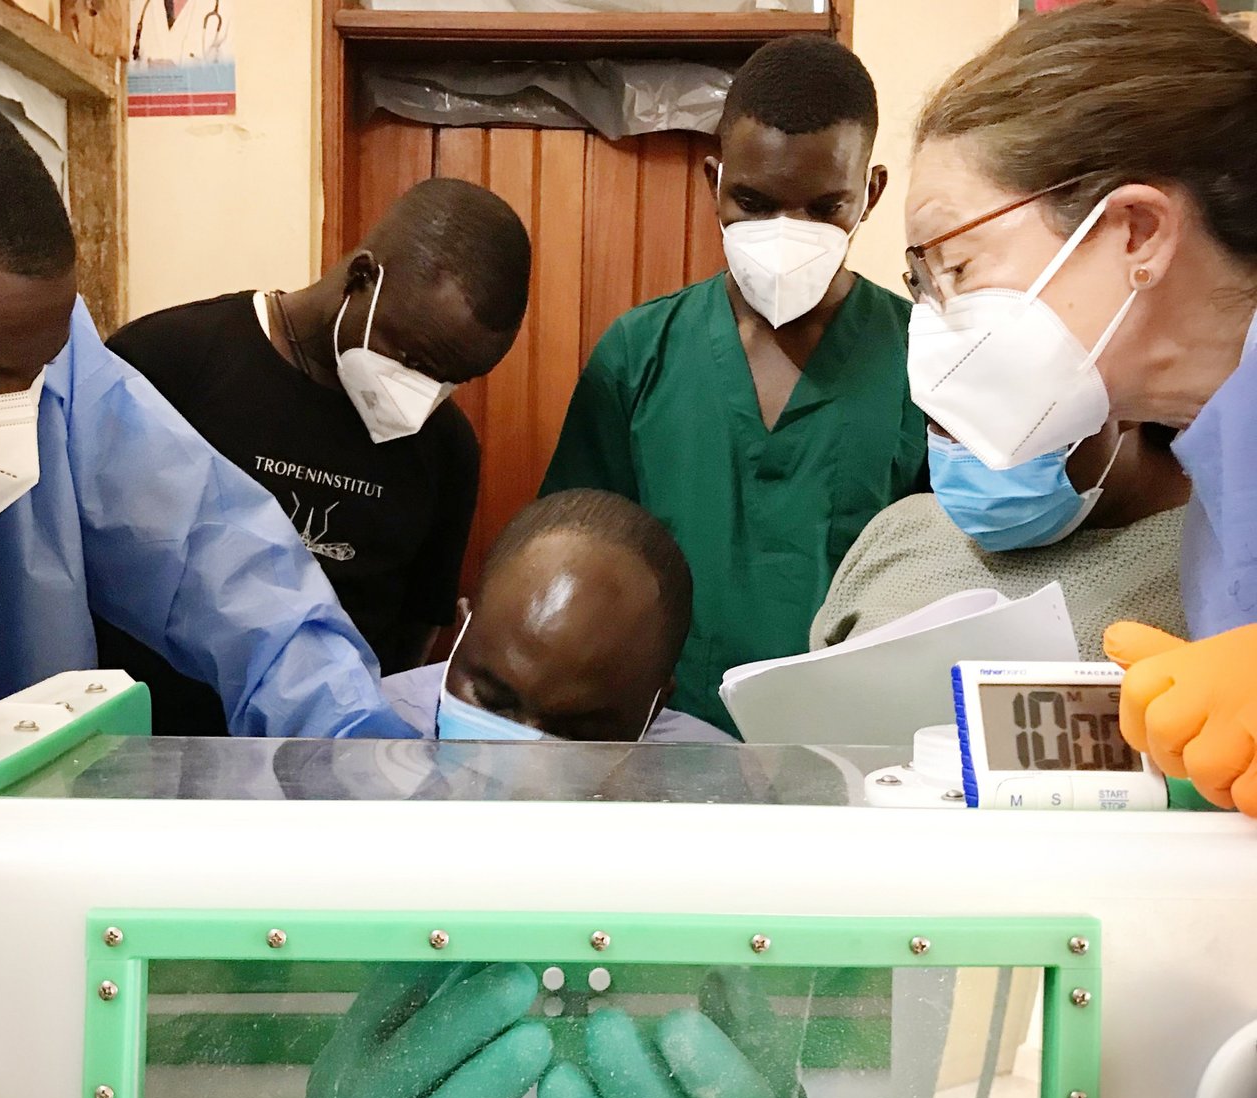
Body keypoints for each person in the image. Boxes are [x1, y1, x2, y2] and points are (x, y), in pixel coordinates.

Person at [0, 70, 414, 759]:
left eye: (37, 379)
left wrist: (351, 745)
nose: (15, 426)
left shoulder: (45, 364)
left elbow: (217, 554)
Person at [903, 0, 1257, 813]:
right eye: (921, 282)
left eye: (956, 264)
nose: (936, 321)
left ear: (1136, 231)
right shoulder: (1220, 475)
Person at [541, 36, 927, 735]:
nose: (787, 233)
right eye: (753, 200)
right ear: (713, 182)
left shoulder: (923, 357)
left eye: (822, 207)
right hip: (663, 740)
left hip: (859, 748)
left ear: (869, 195)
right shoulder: (638, 356)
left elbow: (949, 581)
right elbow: (573, 566)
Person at [104, 180, 530, 734]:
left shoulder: (445, 447)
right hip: (144, 748)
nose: (423, 392)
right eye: (414, 359)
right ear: (362, 277)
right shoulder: (168, 363)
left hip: (325, 760)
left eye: (451, 379)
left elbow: (415, 632)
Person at [811, 423, 1190, 660]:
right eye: (943, 421)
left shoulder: (1220, 566)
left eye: (1009, 421)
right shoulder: (902, 530)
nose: (970, 450)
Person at [382, 490, 731, 742]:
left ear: (653, 708)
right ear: (462, 632)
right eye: (493, 701)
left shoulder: (718, 796)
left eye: (574, 733)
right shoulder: (362, 745)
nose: (520, 767)